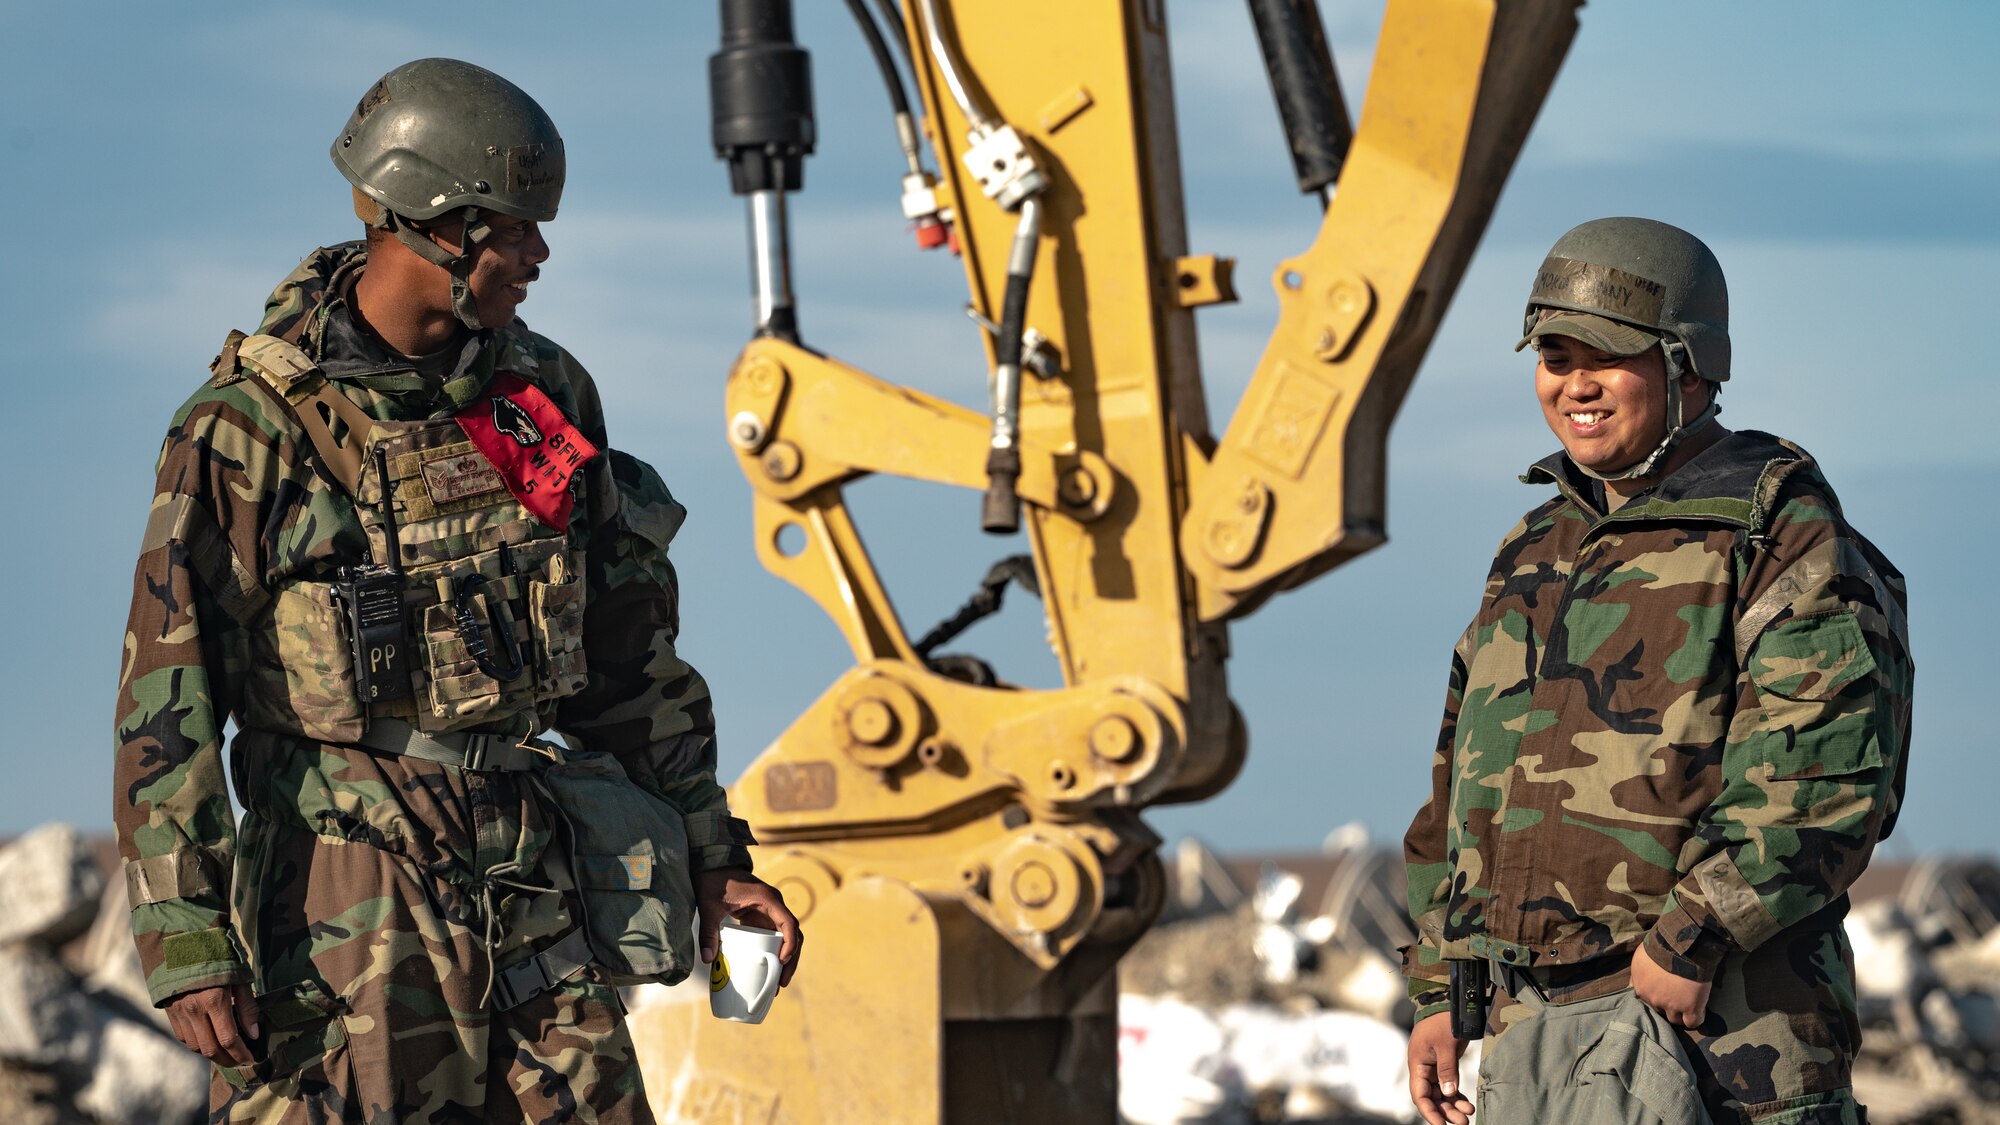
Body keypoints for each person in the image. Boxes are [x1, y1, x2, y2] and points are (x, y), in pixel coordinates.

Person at [112, 57, 801, 1122]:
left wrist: (713, 858)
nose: (538, 253)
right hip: (345, 894)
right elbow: (169, 696)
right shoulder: (250, 428)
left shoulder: (541, 395)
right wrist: (188, 937)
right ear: (436, 221)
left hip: (536, 873)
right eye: (515, 227)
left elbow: (626, 654)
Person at [1399, 217, 1912, 1125]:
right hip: (1537, 1045)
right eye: (1555, 356)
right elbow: (1465, 788)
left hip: (1723, 1045)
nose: (1574, 384)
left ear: (1690, 366)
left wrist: (1691, 937)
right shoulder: (1533, 550)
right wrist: (1445, 984)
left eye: (1607, 354)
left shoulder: (1779, 534)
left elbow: (1826, 776)